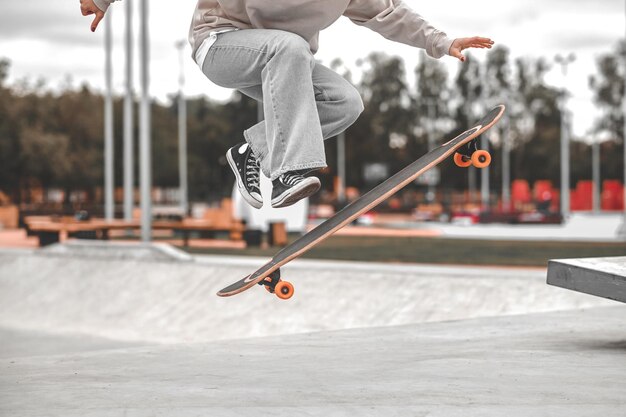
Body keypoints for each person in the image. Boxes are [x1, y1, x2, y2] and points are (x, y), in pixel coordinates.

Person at [80, 0, 493, 209]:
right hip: (220, 43)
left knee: (345, 102)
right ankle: (286, 173)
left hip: (282, 62)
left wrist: (442, 42)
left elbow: (389, 12)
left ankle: (252, 151)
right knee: (291, 47)